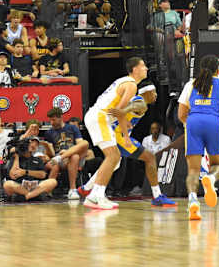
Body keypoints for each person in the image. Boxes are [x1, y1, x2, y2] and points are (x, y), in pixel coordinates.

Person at [80, 83, 175, 207]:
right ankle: (157, 196)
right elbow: (121, 111)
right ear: (147, 92)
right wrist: (122, 116)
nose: (156, 95)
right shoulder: (140, 103)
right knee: (150, 158)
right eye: (154, 92)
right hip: (120, 137)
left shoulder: (138, 101)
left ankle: (86, 188)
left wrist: (122, 117)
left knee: (114, 163)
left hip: (115, 134)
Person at [81, 57, 148, 209]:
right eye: (143, 66)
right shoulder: (131, 85)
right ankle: (95, 196)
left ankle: (92, 193)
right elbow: (120, 112)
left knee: (115, 158)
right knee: (113, 156)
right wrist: (125, 136)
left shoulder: (123, 81)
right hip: (100, 117)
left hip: (100, 117)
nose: (146, 69)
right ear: (135, 69)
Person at [178, 55, 219, 220]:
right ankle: (210, 179)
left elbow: (181, 113)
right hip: (213, 123)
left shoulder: (190, 85)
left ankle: (192, 201)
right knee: (217, 164)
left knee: (193, 170)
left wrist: (190, 125)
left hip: (193, 122)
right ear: (218, 69)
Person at [43, 107, 89, 200]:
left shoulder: (72, 128)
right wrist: (46, 147)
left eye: (53, 120)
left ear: (60, 117)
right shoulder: (49, 133)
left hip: (74, 157)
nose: (51, 122)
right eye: (50, 120)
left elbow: (81, 144)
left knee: (83, 145)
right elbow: (51, 154)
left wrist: (68, 152)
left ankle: (72, 190)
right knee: (72, 157)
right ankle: (72, 189)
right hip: (59, 159)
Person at [3, 137, 58, 202]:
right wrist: (16, 157)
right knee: (7, 184)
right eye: (32, 143)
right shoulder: (15, 158)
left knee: (52, 181)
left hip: (35, 185)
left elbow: (43, 175)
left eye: (36, 144)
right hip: (20, 186)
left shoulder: (37, 159)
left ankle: (27, 196)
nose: (34, 145)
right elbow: (13, 175)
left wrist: (25, 172)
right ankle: (36, 195)